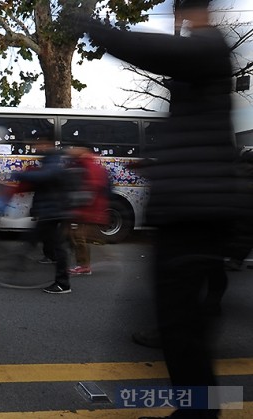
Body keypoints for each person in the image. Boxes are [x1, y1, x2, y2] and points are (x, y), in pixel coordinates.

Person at [78, 1, 253, 417]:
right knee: (178, 326)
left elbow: (161, 52)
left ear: (187, 11)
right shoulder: (204, 62)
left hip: (194, 214)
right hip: (190, 210)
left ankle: (199, 411)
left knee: (181, 329)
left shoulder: (209, 47)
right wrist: (157, 164)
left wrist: (99, 31)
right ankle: (195, 407)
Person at [13, 137, 72, 294]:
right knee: (39, 240)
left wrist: (20, 175)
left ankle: (62, 283)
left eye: (39, 144)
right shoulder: (48, 160)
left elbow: (45, 176)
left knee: (55, 246)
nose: (36, 147)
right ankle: (17, 267)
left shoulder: (54, 161)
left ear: (48, 145)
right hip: (49, 210)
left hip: (53, 211)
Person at [65, 147, 110, 276]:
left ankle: (84, 266)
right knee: (78, 236)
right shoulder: (84, 163)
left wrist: (78, 206)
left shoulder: (89, 165)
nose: (72, 150)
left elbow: (91, 188)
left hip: (88, 209)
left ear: (84, 150)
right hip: (86, 208)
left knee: (79, 237)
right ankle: (87, 263)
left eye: (76, 148)